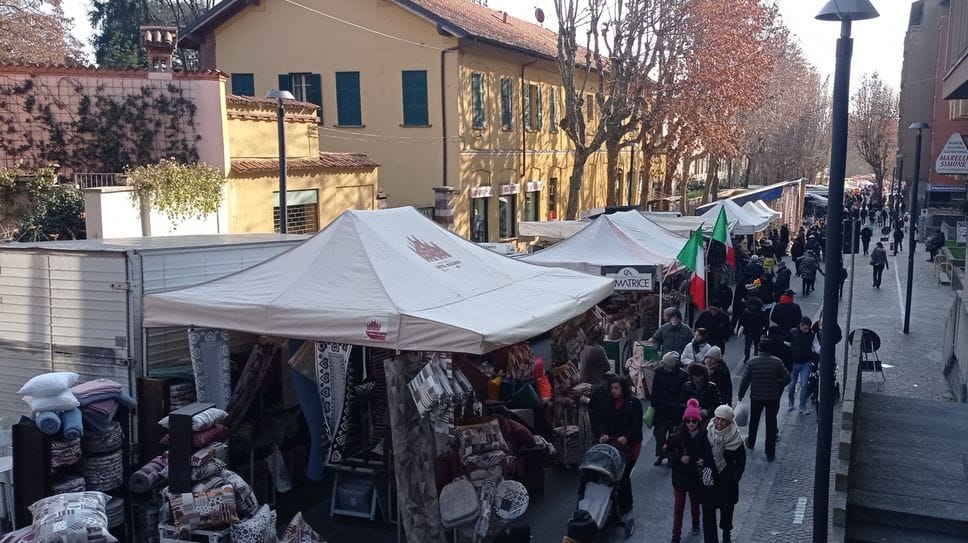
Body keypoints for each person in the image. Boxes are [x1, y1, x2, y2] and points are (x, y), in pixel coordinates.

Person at [589, 375, 642, 514]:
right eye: (612, 388)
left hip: (630, 446)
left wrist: (626, 437)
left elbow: (637, 426)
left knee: (623, 476)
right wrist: (602, 434)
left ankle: (625, 505)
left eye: (616, 388)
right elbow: (603, 422)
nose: (614, 391)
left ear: (623, 388)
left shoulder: (634, 403)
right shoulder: (609, 403)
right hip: (614, 444)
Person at [737, 338, 790, 462]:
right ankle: (770, 452)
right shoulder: (777, 362)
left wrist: (740, 395)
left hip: (756, 396)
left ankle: (751, 442)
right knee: (771, 424)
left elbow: (745, 380)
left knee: (754, 421)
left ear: (759, 348)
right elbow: (787, 378)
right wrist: (778, 384)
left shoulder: (752, 362)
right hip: (773, 397)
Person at [665, 399, 708, 543]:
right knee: (679, 507)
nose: (691, 423)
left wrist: (704, 460)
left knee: (695, 503)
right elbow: (667, 451)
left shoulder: (704, 436)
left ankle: (696, 523)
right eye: (688, 421)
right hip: (680, 475)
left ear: (698, 421)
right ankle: (676, 535)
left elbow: (709, 453)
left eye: (694, 421)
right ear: (685, 421)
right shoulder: (678, 436)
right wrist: (678, 457)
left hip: (695, 475)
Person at [703, 405, 746, 543]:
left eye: (723, 420)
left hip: (727, 482)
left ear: (729, 422)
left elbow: (741, 461)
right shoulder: (708, 433)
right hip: (711, 481)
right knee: (709, 512)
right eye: (717, 419)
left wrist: (735, 477)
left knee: (727, 511)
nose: (719, 423)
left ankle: (726, 535)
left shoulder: (735, 438)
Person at [652, 351, 689, 466]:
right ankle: (661, 454)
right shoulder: (659, 371)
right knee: (659, 434)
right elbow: (655, 389)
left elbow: (683, 394)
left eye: (666, 364)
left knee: (674, 436)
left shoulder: (683, 375)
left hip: (675, 410)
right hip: (661, 408)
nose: (663, 366)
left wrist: (680, 408)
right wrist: (655, 404)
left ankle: (671, 456)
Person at [785, 317, 820, 415]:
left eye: (807, 329)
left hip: (806, 363)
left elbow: (816, 347)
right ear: (800, 325)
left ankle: (802, 405)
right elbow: (786, 346)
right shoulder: (792, 333)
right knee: (792, 385)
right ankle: (791, 403)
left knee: (804, 385)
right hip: (793, 363)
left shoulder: (812, 335)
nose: (806, 331)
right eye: (805, 328)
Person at [739, 296, 767, 362]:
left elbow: (741, 321)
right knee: (754, 345)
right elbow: (765, 321)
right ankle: (753, 356)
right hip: (755, 331)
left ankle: (748, 357)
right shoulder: (761, 312)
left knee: (750, 345)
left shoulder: (747, 312)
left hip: (750, 331)